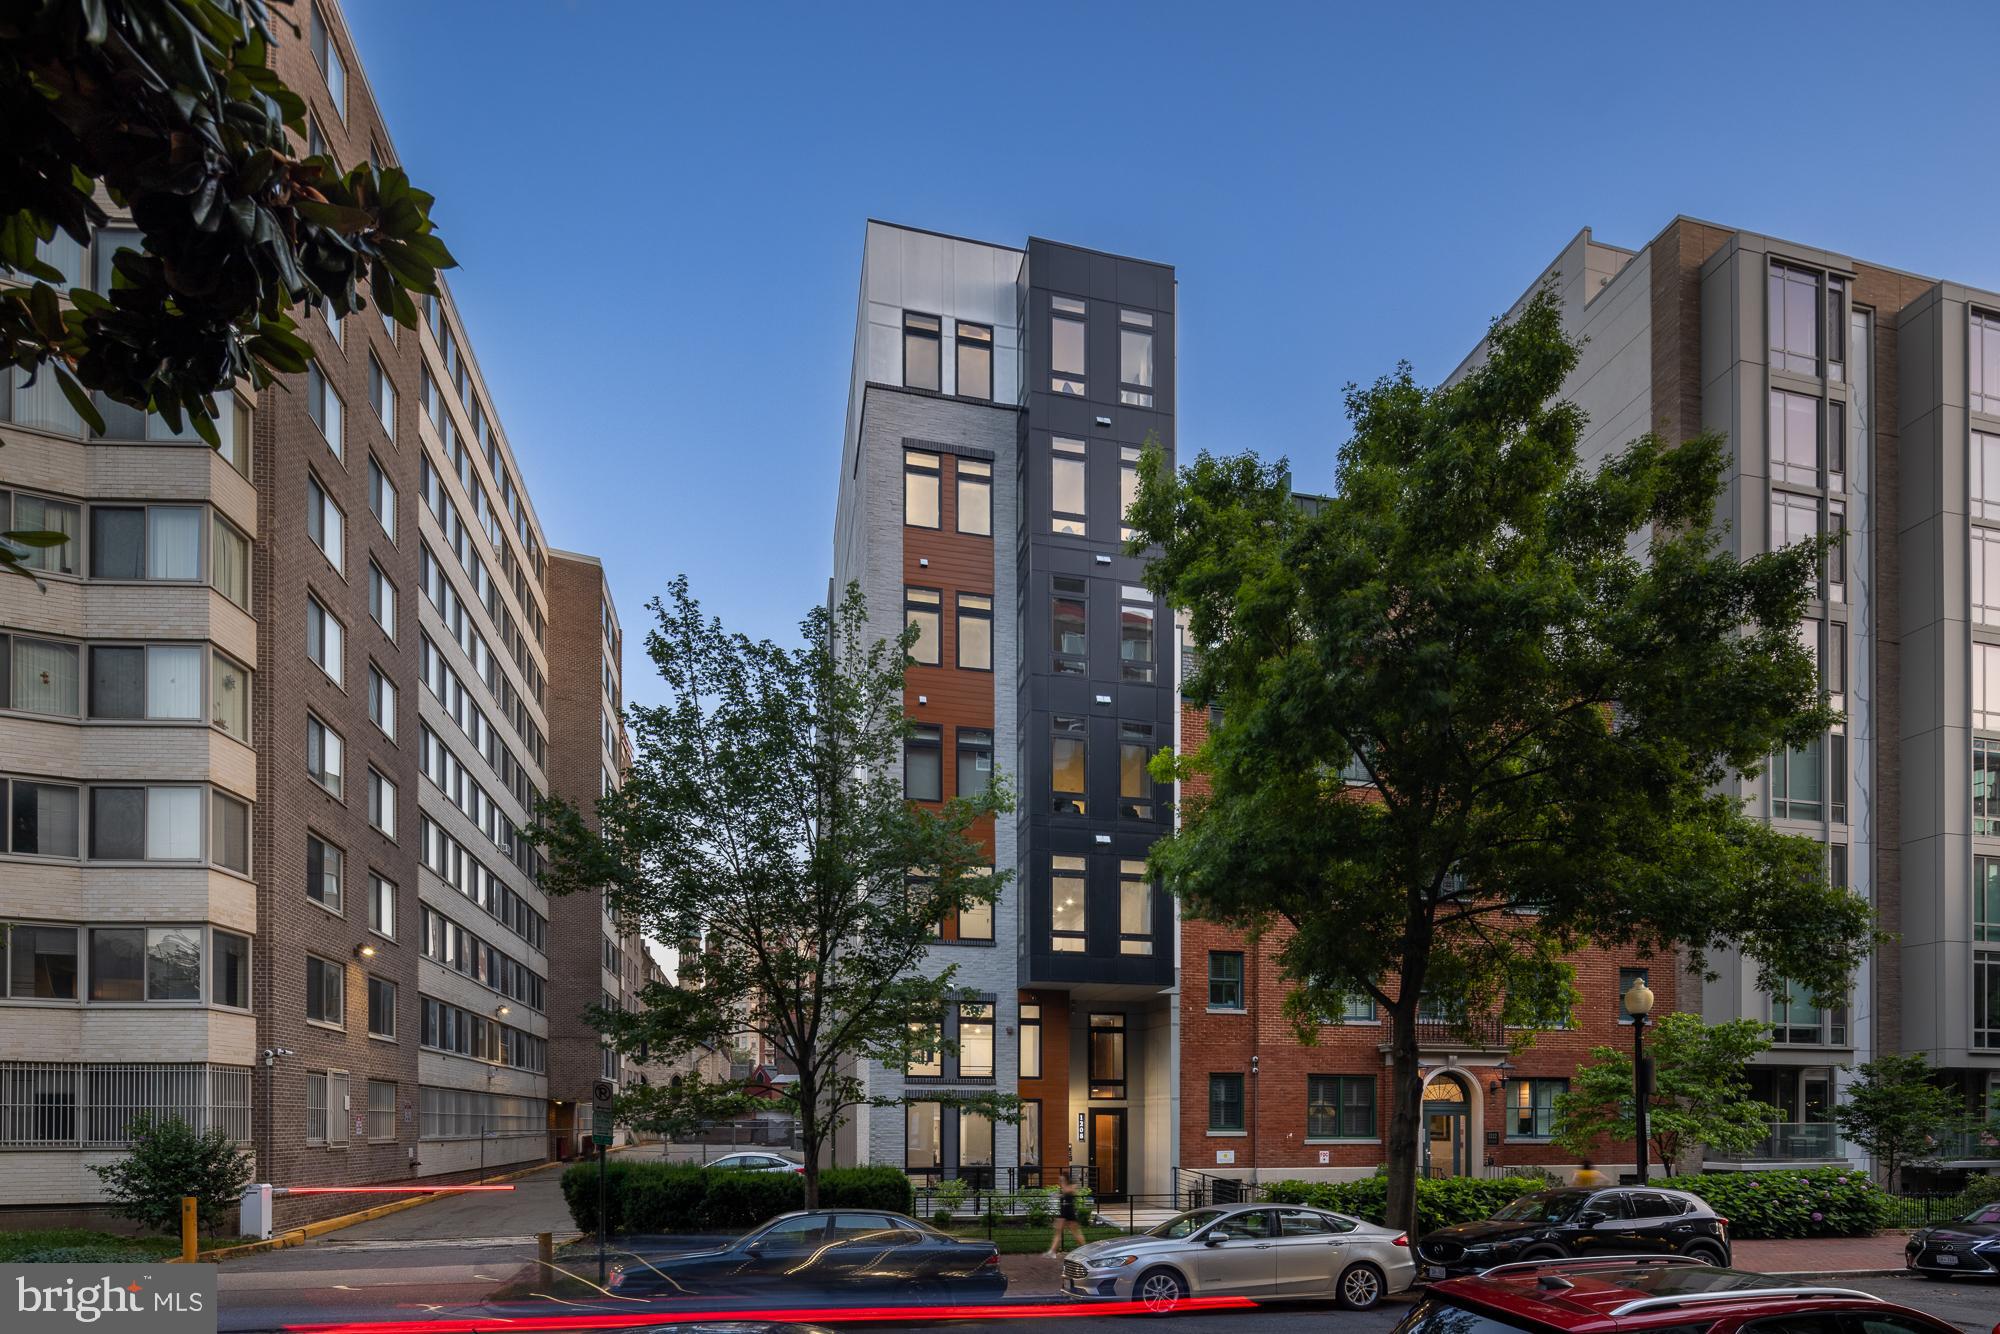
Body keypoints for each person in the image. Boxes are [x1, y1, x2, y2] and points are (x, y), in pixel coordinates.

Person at [1046, 1179, 1086, 1256]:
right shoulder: (1064, 1188)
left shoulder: (1071, 1187)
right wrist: (1055, 1195)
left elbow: (1070, 1192)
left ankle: (1084, 1250)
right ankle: (1052, 1252)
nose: (1059, 1182)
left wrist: (1059, 1193)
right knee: (1058, 1232)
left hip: (1070, 1212)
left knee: (1075, 1233)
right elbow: (1062, 1195)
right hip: (1063, 1212)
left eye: (1061, 1180)